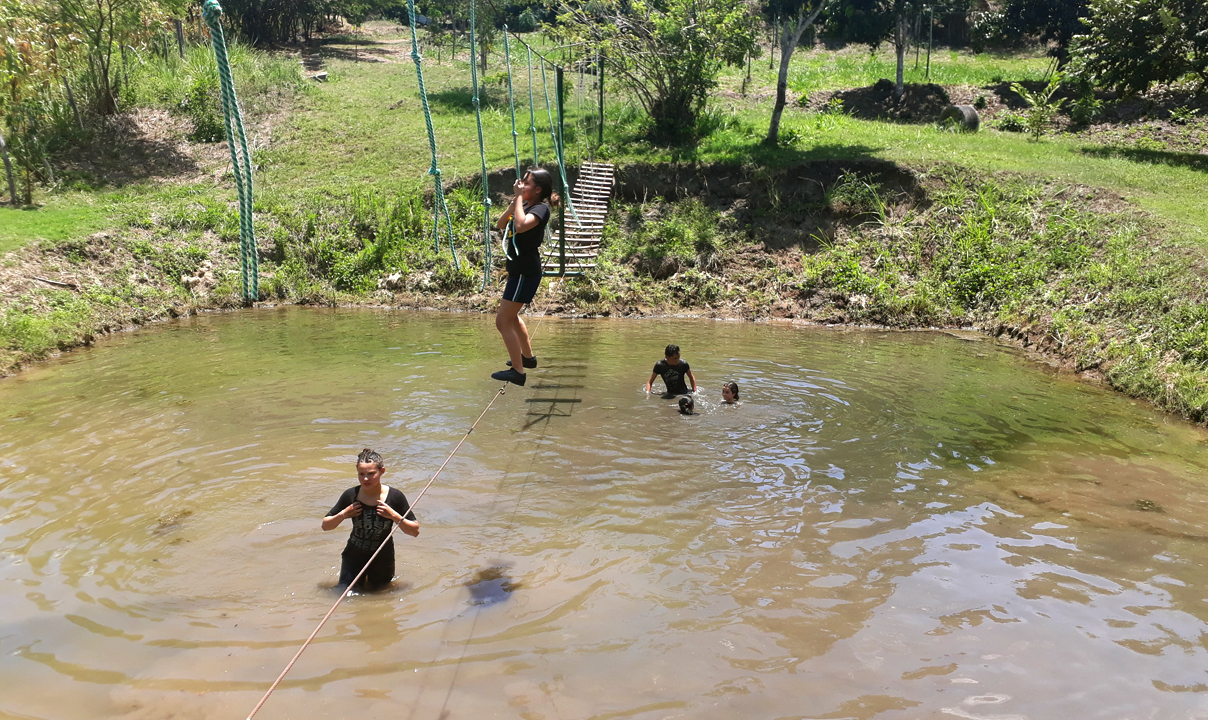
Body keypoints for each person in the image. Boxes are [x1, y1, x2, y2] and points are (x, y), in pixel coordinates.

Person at [491, 168, 560, 386]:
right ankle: (528, 359)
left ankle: (518, 373)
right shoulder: (526, 205)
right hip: (518, 271)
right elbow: (501, 224)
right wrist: (516, 201)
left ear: (538, 189)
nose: (521, 184)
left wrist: (519, 198)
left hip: (525, 272)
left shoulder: (541, 208)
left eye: (526, 183)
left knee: (502, 321)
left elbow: (520, 226)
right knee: (511, 318)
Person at [322, 448, 419, 591]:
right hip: (353, 555)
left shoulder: (395, 497)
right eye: (361, 474)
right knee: (344, 592)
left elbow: (415, 531)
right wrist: (344, 514)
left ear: (382, 471)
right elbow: (325, 525)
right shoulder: (351, 495)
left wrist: (393, 515)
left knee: (380, 596)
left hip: (382, 557)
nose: (365, 479)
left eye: (371, 474)